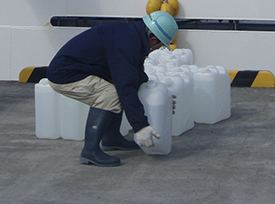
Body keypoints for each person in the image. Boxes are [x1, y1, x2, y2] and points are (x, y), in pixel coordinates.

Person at [46, 10, 179, 167]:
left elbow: (134, 76)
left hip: (79, 70)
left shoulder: (131, 37)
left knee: (118, 90)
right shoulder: (127, 43)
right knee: (110, 94)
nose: (158, 49)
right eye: (161, 46)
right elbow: (126, 86)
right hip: (65, 76)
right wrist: (140, 126)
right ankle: (90, 150)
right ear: (153, 39)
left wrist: (160, 96)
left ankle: (112, 138)